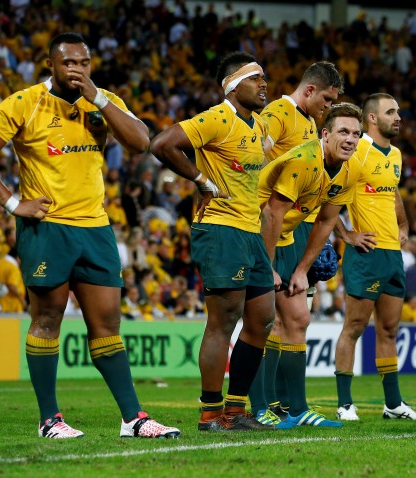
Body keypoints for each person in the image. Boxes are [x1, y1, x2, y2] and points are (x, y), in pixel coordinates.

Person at [0, 32, 179, 438]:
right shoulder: (26, 102)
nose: (77, 69)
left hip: (95, 227)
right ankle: (49, 420)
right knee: (47, 318)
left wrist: (99, 99)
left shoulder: (102, 100)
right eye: (69, 63)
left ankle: (133, 418)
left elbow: (141, 142)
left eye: (83, 62)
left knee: (108, 324)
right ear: (52, 65)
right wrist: (12, 203)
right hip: (48, 228)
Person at [149, 51, 276, 431]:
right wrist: (200, 180)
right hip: (220, 229)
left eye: (263, 77)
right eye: (255, 79)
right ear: (233, 86)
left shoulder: (255, 127)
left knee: (263, 319)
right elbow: (163, 144)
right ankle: (210, 413)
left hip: (249, 232)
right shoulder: (218, 117)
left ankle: (235, 411)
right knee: (223, 322)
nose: (263, 84)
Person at [255, 102, 363, 428]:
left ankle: (297, 410)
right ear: (326, 134)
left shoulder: (350, 169)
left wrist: (302, 269)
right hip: (249, 230)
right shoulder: (304, 160)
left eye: (356, 134)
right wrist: (268, 265)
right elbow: (271, 213)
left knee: (298, 319)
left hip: (285, 236)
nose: (350, 140)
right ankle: (259, 409)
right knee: (259, 322)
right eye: (343, 131)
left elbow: (326, 222)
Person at [250, 61, 343, 419]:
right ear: (309, 91)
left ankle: (281, 403)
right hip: (269, 222)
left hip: (294, 227)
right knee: (274, 318)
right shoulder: (279, 112)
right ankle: (267, 403)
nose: (329, 107)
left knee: (293, 319)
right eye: (327, 99)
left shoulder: (309, 123)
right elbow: (255, 149)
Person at [333, 93, 416, 422]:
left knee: (389, 331)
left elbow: (393, 190)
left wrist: (403, 223)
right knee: (354, 327)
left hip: (392, 255)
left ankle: (393, 404)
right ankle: (345, 404)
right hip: (366, 253)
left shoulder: (396, 154)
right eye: (391, 112)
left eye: (398, 111)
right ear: (372, 119)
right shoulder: (357, 150)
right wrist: (346, 235)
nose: (398, 117)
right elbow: (326, 190)